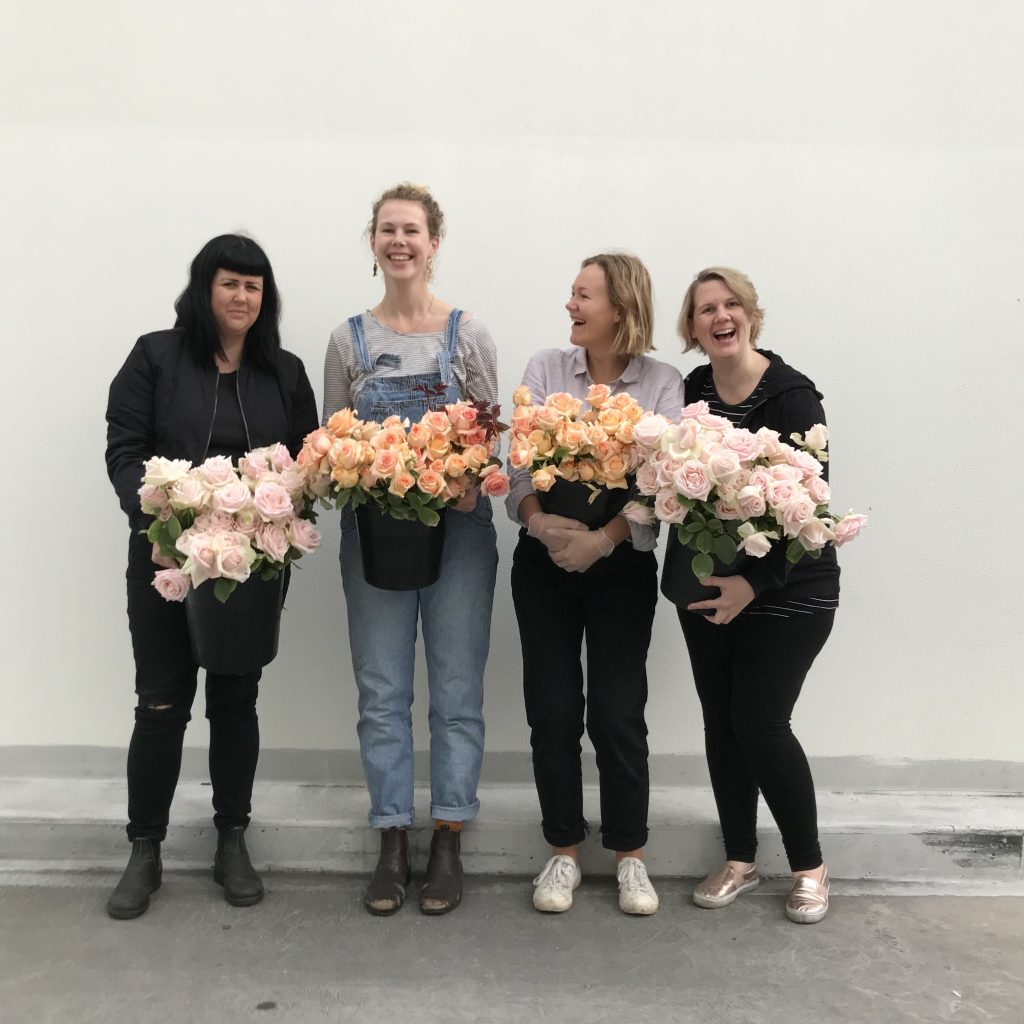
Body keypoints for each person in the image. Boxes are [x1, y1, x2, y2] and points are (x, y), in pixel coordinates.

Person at [104, 234, 318, 919]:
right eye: (230, 283)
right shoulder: (155, 357)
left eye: (254, 286)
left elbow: (306, 465)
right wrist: (160, 529)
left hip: (248, 568)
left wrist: (278, 524)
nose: (242, 297)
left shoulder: (282, 370)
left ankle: (232, 838)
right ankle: (145, 849)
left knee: (236, 702)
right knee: (161, 703)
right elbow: (126, 451)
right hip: (166, 560)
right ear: (204, 289)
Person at [322, 182, 499, 916]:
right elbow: (328, 444)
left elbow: (496, 439)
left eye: (413, 231)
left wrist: (466, 482)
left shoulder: (468, 334)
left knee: (456, 693)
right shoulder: (347, 341)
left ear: (433, 243)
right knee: (383, 693)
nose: (400, 242)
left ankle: (450, 835)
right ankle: (393, 838)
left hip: (457, 537)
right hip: (376, 537)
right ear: (372, 243)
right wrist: (359, 473)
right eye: (387, 230)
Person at [507, 253, 686, 915]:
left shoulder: (663, 383)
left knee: (616, 711)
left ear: (620, 305)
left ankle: (630, 856)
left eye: (583, 296)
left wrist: (601, 540)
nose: (571, 307)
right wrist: (541, 523)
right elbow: (520, 470)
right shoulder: (545, 371)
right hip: (544, 562)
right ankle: (562, 853)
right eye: (571, 295)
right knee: (553, 710)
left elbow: (662, 485)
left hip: (620, 569)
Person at [662, 266, 840, 924]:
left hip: (791, 584)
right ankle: (740, 856)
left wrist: (753, 583)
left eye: (730, 304)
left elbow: (809, 509)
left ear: (750, 315)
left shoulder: (793, 397)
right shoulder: (693, 391)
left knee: (760, 725)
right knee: (721, 724)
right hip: (710, 584)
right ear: (693, 328)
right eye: (705, 309)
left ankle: (810, 867)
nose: (719, 316)